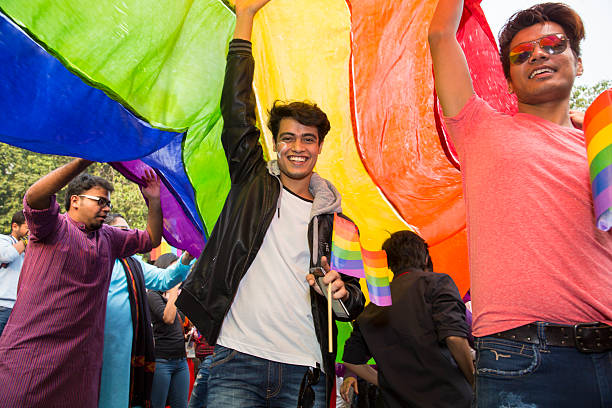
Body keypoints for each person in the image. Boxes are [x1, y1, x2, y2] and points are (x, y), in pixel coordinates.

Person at [176, 1, 365, 406]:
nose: (297, 148)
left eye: (308, 139)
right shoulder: (253, 182)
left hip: (306, 374)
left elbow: (354, 302)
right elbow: (236, 109)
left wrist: (343, 293)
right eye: (287, 138)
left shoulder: (340, 223)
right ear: (275, 145)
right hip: (237, 361)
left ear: (319, 147)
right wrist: (244, 16)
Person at [428, 2, 612, 406]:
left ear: (578, 64)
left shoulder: (602, 150)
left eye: (552, 44)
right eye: (522, 55)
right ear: (509, 81)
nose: (538, 55)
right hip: (522, 359)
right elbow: (440, 36)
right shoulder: (480, 128)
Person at [0, 159, 162, 407]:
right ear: (75, 200)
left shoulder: (109, 238)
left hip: (80, 362)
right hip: (32, 353)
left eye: (109, 203)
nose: (107, 208)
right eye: (101, 201)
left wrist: (154, 200)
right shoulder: (52, 226)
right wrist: (83, 159)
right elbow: (33, 197)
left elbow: (151, 238)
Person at [342, 231, 473, 408]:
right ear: (425, 257)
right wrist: (473, 379)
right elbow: (455, 338)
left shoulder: (373, 307)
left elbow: (352, 360)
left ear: (388, 263)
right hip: (448, 399)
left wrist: (389, 384)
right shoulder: (437, 283)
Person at [99, 213, 195, 408]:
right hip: (100, 349)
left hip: (131, 350)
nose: (127, 235)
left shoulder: (133, 263)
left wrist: (186, 257)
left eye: (129, 230)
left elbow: (165, 279)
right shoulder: (94, 258)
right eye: (121, 231)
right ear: (106, 233)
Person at [147, 253, 191, 408]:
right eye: (173, 269)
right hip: (162, 361)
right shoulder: (153, 294)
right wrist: (173, 291)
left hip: (180, 361)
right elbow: (168, 318)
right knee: (157, 404)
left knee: (181, 404)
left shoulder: (178, 294)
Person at [0, 210, 28, 336]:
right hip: (3, 305)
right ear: (15, 226)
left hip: (20, 308)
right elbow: (6, 256)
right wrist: (28, 240)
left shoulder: (29, 249)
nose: (31, 232)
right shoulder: (4, 240)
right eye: (28, 228)